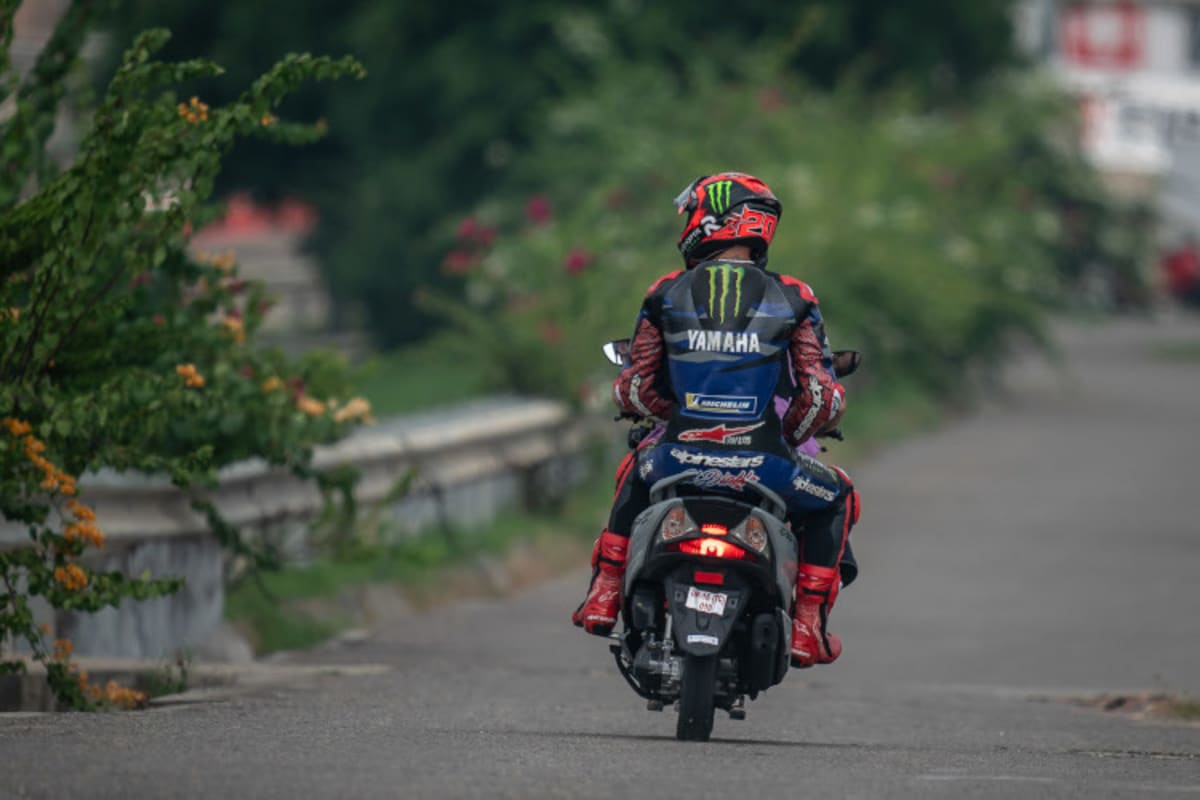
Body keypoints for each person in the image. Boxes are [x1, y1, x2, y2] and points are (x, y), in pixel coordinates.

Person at [571, 172, 862, 668]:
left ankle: (604, 591)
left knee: (633, 470)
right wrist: (785, 438)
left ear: (711, 220)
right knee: (839, 494)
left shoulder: (665, 292)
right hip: (767, 466)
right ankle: (809, 627)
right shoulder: (795, 296)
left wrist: (678, 415)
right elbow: (819, 398)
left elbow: (634, 388)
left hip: (674, 459)